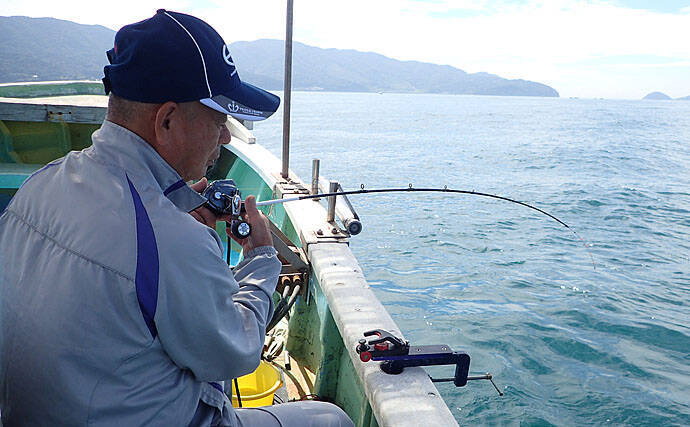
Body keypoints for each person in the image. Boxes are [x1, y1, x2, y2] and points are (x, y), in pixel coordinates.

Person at [0, 9, 353, 427]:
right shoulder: (173, 239)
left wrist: (174, 219)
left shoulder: (39, 186)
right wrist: (260, 260)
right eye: (220, 119)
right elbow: (234, 355)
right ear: (166, 120)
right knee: (329, 419)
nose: (225, 136)